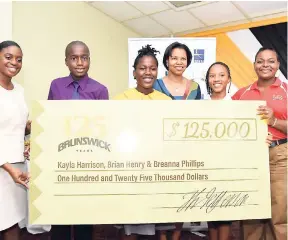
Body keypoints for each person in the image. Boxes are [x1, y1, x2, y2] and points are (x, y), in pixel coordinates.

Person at [48, 40, 109, 240]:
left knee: (84, 216)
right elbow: (49, 120)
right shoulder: (56, 86)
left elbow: (105, 128)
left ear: (89, 60)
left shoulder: (100, 90)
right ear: (66, 61)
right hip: (60, 159)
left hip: (88, 162)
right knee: (59, 216)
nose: (79, 62)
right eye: (74, 58)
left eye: (84, 57)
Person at [114, 44, 171, 240]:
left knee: (157, 223)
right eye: (143, 68)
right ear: (134, 72)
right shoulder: (120, 100)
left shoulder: (166, 102)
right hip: (129, 170)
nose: (148, 72)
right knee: (130, 225)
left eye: (152, 68)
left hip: (156, 170)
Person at [232, 47, 287, 240]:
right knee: (251, 209)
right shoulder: (241, 94)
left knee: (280, 211)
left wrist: (273, 122)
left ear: (278, 65)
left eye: (271, 61)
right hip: (250, 157)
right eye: (260, 61)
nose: (265, 65)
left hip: (280, 155)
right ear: (254, 65)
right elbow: (230, 126)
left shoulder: (286, 90)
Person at [153, 42, 201, 240]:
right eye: (175, 58)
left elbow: (200, 118)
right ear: (167, 60)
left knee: (182, 193)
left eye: (183, 58)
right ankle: (163, 234)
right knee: (163, 193)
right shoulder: (155, 84)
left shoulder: (196, 87)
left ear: (188, 61)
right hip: (160, 148)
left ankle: (177, 233)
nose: (179, 62)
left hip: (187, 149)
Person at [0, 40, 30, 240]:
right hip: (4, 167)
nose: (14, 63)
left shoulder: (19, 90)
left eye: (19, 59)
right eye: (8, 57)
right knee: (5, 222)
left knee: (14, 223)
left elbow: (19, 127)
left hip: (19, 167)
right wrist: (8, 167)